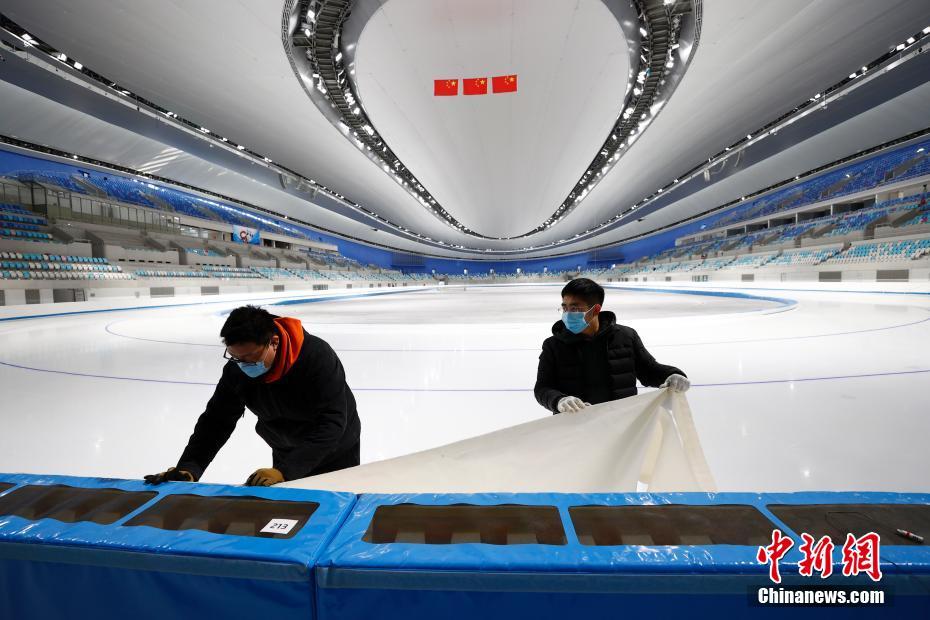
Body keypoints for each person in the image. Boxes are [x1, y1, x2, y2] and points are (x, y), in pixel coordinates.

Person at [144, 305, 361, 486]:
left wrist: (287, 471)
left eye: (249, 357)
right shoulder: (236, 370)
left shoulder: (317, 357)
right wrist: (190, 467)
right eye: (234, 356)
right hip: (286, 448)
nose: (242, 364)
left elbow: (331, 422)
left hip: (336, 449)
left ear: (273, 343)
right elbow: (217, 420)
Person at [535, 278, 689, 414]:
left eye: (575, 308)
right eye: (565, 307)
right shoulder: (553, 345)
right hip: (575, 427)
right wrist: (559, 400)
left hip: (621, 424)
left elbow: (648, 370)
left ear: (596, 309)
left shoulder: (626, 336)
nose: (567, 314)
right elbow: (542, 388)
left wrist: (672, 374)